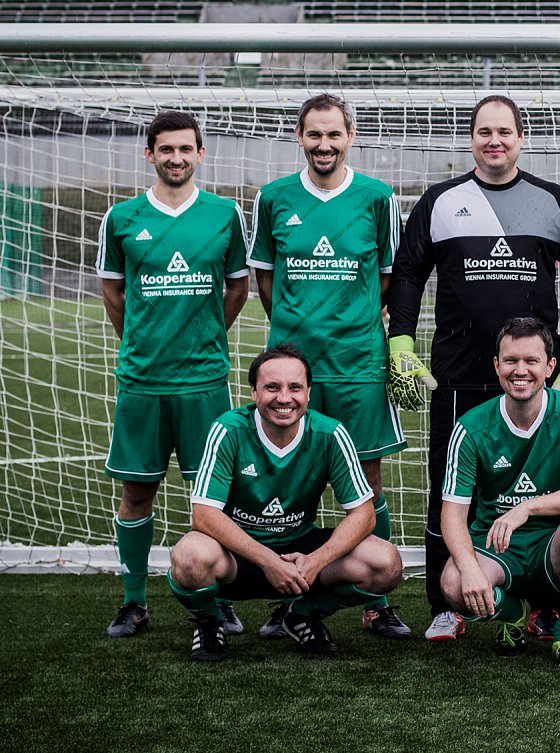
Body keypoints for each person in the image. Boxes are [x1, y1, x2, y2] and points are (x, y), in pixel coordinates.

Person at [387, 95, 560, 642]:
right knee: (448, 487)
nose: (494, 141)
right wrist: (400, 342)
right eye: (484, 131)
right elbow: (408, 273)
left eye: (505, 131)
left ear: (521, 138)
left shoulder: (554, 201)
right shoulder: (440, 201)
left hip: (533, 372)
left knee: (549, 483)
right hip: (459, 371)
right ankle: (446, 602)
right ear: (472, 138)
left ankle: (546, 604)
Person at [248, 94, 411, 639]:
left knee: (367, 479)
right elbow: (266, 277)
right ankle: (287, 595)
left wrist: (350, 320)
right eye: (314, 134)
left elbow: (386, 277)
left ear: (350, 137)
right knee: (291, 483)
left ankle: (376, 602)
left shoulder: (378, 197)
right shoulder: (273, 198)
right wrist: (296, 329)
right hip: (292, 371)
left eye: (334, 134)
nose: (324, 145)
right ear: (299, 137)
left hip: (357, 363)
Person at [96, 110, 249, 639]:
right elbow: (113, 292)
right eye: (166, 149)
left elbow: (237, 289)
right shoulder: (121, 218)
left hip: (204, 383)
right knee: (136, 494)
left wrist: (203, 334)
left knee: (212, 501)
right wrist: (142, 342)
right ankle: (133, 601)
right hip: (143, 382)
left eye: (186, 148)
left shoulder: (225, 214)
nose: (176, 158)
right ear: (150, 154)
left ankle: (217, 598)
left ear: (201, 153)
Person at [167, 345, 404, 662]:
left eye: (294, 387)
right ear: (254, 392)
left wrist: (317, 560)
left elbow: (364, 514)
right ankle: (210, 621)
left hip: (300, 553)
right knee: (188, 558)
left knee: (386, 563)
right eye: (272, 387)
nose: (284, 398)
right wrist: (268, 561)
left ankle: (303, 614)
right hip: (237, 555)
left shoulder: (330, 433)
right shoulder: (228, 429)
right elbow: (204, 515)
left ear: (308, 392)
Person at [439, 317, 560, 671]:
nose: (520, 371)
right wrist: (469, 569)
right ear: (496, 365)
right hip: (498, 547)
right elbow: (452, 514)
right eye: (511, 360)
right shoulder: (471, 427)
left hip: (552, 546)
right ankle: (513, 614)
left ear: (550, 366)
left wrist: (527, 507)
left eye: (531, 361)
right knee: (454, 583)